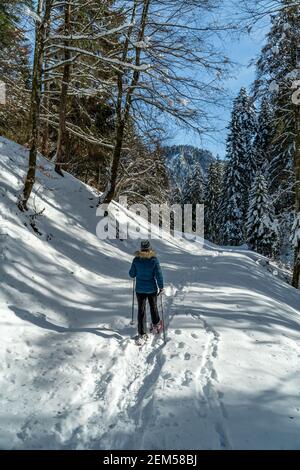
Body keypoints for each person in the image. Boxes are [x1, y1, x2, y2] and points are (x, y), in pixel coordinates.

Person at [129, 240, 164, 343]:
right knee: (153, 307)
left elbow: (132, 274)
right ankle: (156, 326)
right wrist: (161, 287)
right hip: (152, 289)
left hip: (140, 289)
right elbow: (159, 275)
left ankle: (142, 333)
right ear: (149, 248)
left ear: (141, 248)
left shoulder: (136, 260)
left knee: (141, 309)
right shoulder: (154, 260)